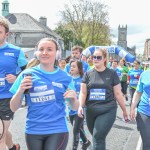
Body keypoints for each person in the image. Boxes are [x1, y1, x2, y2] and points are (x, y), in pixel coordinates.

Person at [9, 38, 79, 150]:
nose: (44, 52)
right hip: (33, 130)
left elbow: (74, 107)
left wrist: (74, 99)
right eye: (41, 49)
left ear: (57, 53)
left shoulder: (65, 77)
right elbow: (13, 107)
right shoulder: (27, 74)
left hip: (57, 129)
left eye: (49, 49)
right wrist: (20, 91)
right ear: (37, 53)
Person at [78, 48, 128, 150]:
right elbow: (83, 92)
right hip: (90, 111)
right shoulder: (88, 74)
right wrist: (80, 106)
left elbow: (118, 93)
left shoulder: (112, 74)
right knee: (97, 137)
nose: (95, 59)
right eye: (93, 57)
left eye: (98, 57)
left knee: (97, 137)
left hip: (107, 110)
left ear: (104, 59)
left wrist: (124, 110)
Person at [0, 16, 28, 150]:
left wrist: (17, 78)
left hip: (7, 97)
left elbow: (27, 73)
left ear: (7, 34)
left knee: (0, 134)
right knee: (2, 132)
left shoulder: (16, 51)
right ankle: (12, 148)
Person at [69, 59, 91, 150]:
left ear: (79, 68)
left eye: (74, 66)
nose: (71, 68)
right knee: (79, 128)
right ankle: (86, 142)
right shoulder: (68, 78)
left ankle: (74, 148)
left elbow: (87, 93)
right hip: (70, 108)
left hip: (81, 108)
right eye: (71, 66)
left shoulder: (84, 78)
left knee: (75, 129)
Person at [130, 69, 150, 150]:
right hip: (144, 111)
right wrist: (132, 107)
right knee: (147, 142)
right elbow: (138, 92)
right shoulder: (144, 74)